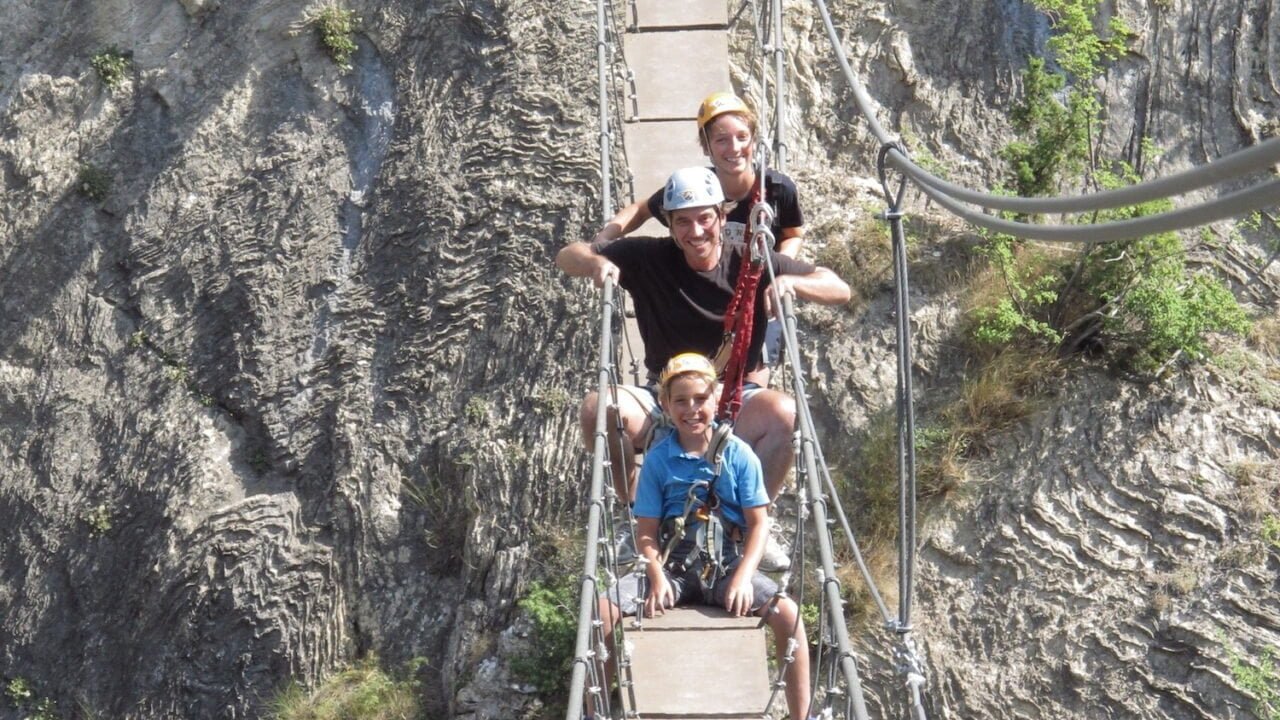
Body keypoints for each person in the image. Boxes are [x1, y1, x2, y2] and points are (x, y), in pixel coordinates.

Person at [556, 166, 850, 570]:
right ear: (670, 226)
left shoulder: (752, 259)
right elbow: (568, 255)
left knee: (785, 413)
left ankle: (749, 526)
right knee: (598, 410)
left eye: (705, 218)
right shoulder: (648, 258)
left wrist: (793, 285)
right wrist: (595, 264)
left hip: (731, 397)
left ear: (722, 215)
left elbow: (838, 286)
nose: (696, 231)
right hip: (664, 397)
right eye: (683, 221)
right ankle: (637, 515)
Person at [590, 352, 814, 720]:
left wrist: (742, 578)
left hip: (725, 569)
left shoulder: (740, 456)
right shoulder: (659, 460)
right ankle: (592, 713)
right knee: (602, 609)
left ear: (718, 402)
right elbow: (646, 533)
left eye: (700, 399)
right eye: (680, 401)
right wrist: (657, 575)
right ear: (665, 405)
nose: (691, 409)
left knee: (788, 615)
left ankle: (800, 717)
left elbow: (758, 524)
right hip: (672, 569)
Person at [593, 91, 804, 368]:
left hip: (759, 293)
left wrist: (778, 270)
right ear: (706, 146)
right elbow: (643, 208)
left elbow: (793, 233)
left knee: (752, 374)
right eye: (721, 140)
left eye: (742, 137)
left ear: (754, 139)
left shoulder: (777, 190)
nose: (734, 148)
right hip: (713, 295)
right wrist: (608, 234)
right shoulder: (697, 192)